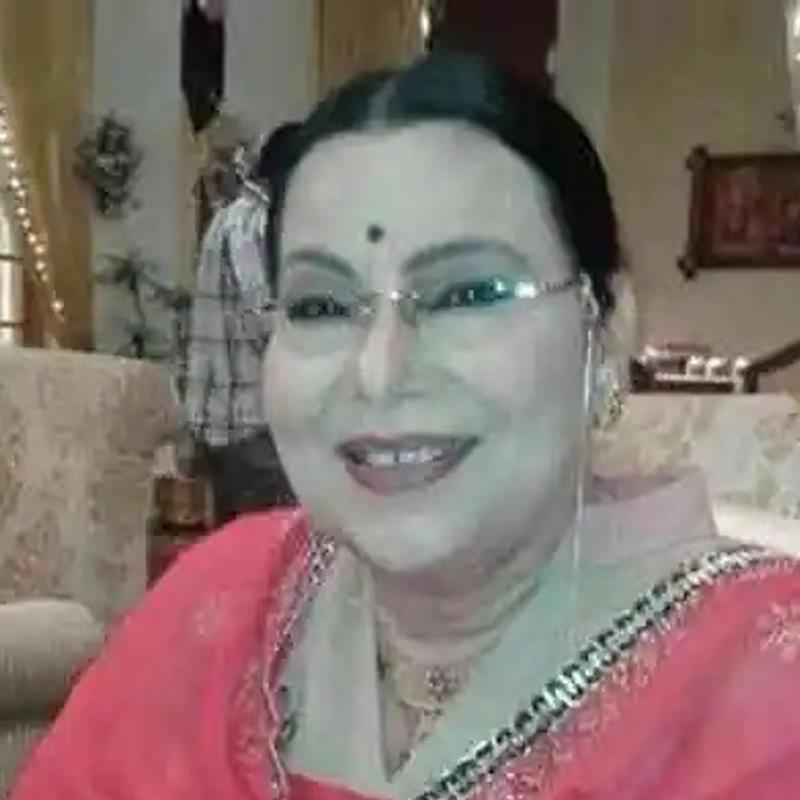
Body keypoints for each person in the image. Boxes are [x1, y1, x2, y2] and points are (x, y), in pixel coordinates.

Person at [11, 52, 800, 799]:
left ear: (608, 328)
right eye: (322, 305)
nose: (379, 372)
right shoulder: (217, 601)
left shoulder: (767, 685)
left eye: (467, 294)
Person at [185, 124, 297, 524]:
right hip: (249, 423)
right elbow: (262, 317)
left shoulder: (232, 217)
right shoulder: (249, 225)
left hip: (235, 422)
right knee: (273, 549)